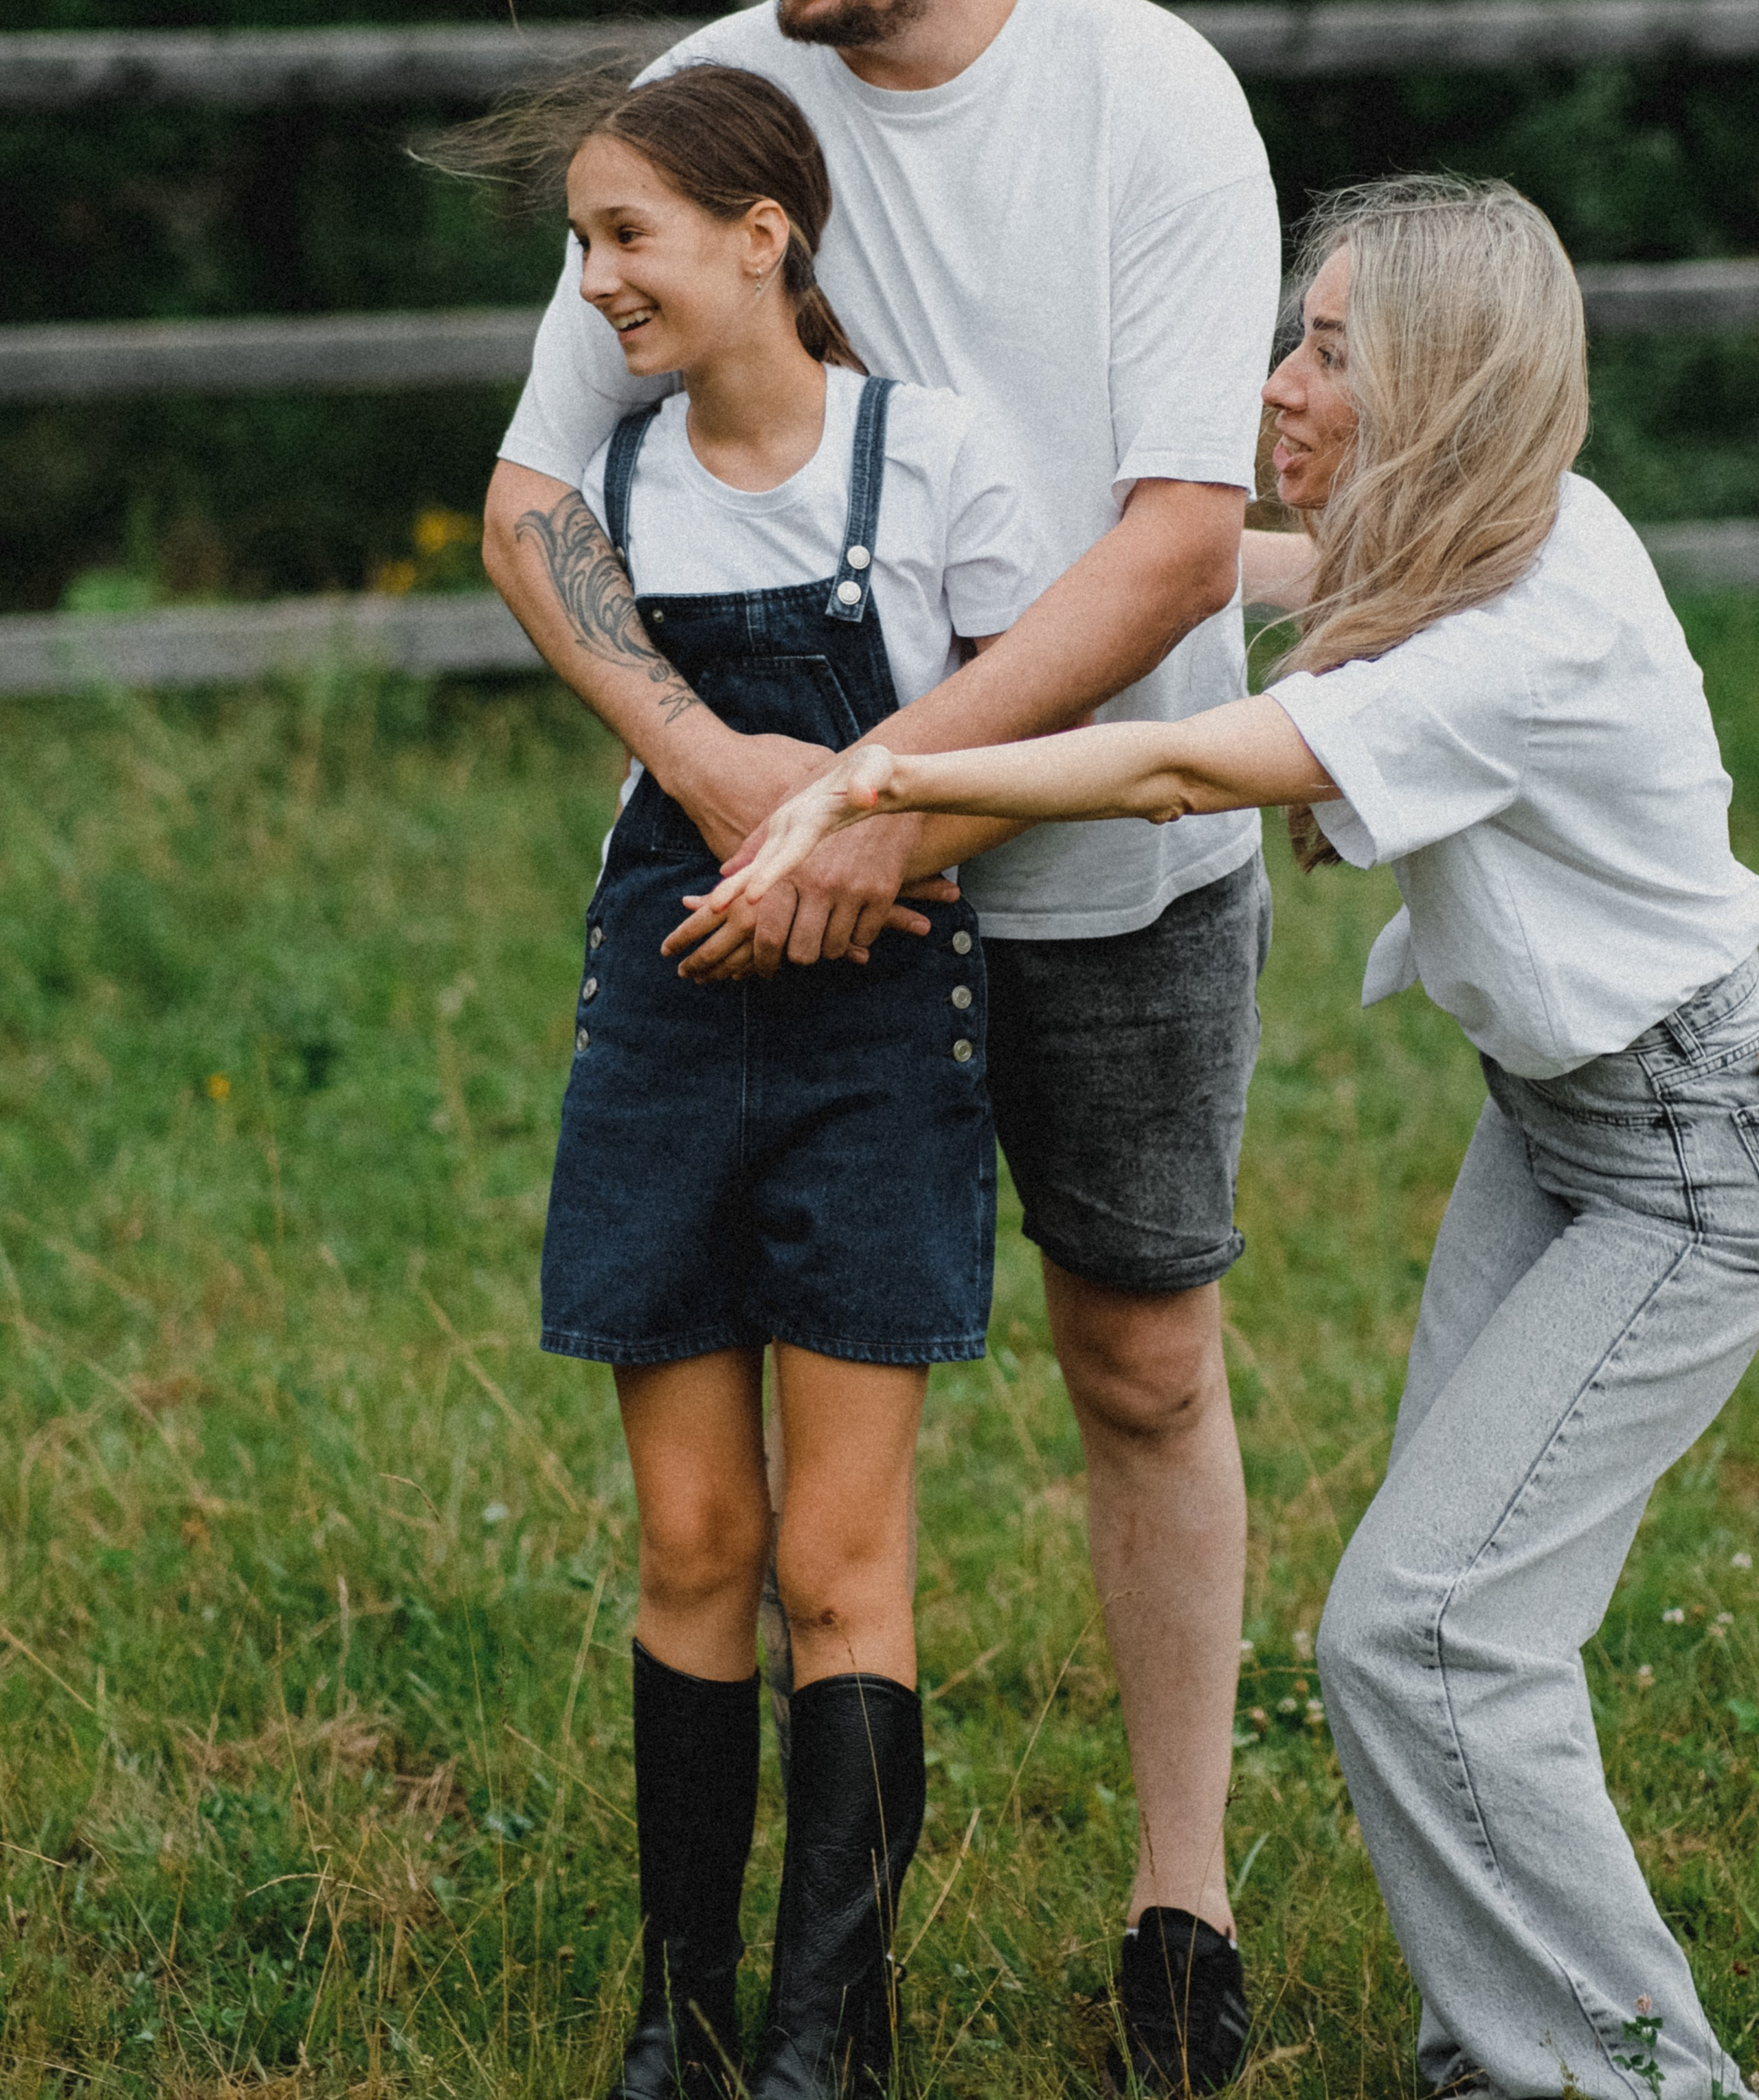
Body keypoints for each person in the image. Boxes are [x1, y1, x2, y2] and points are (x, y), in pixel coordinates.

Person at [710, 174, 1759, 2100]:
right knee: (1455, 1630)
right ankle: (1497, 2049)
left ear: (1440, 386)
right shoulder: (1485, 537)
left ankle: (1641, 2077)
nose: (1278, 386)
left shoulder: (1529, 616)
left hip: (1701, 1152)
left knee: (1422, 1630)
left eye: (1329, 354)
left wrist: (897, 769)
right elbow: (1248, 574)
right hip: (1567, 1125)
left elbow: (1195, 760)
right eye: (1293, 336)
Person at [483, 0, 1280, 2095]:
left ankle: (1182, 1898)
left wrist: (874, 797)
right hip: (788, 905)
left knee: (1141, 1350)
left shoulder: (1151, 96)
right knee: (788, 1477)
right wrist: (733, 767)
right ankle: (766, 2002)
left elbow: (1173, 544)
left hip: (1111, 846)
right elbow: (536, 503)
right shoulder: (722, 107)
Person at [460, 60, 1045, 2098]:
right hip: (668, 1017)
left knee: (834, 1560)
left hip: (878, 1029)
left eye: (625, 235)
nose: (596, 280)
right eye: (580, 243)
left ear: (761, 237)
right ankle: (682, 2013)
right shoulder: (602, 491)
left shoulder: (933, 461)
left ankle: (830, 2030)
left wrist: (849, 846)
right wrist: (741, 812)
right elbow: (609, 682)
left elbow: (1017, 750)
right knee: (697, 1534)